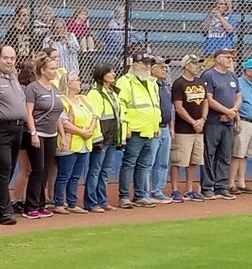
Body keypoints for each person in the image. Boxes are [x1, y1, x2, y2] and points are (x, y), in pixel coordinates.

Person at [0, 45, 24, 224]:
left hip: (17, 129)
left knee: (8, 170)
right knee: (2, 168)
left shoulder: (13, 76)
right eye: (6, 58)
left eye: (12, 58)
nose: (9, 61)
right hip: (0, 128)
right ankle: (4, 210)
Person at [117, 55, 162, 207]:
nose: (148, 67)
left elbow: (155, 106)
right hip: (135, 129)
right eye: (144, 64)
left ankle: (140, 195)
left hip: (149, 129)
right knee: (130, 163)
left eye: (149, 64)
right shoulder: (125, 81)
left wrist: (157, 126)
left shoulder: (152, 83)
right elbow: (121, 105)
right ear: (135, 64)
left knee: (143, 164)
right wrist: (126, 126)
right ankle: (124, 196)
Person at [23, 54, 64, 217]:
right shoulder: (33, 88)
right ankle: (30, 206)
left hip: (51, 134)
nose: (55, 72)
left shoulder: (54, 88)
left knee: (45, 169)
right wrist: (33, 133)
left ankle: (41, 203)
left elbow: (57, 114)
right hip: (37, 133)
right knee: (37, 169)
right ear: (42, 70)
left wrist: (61, 134)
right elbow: (29, 113)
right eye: (52, 69)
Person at [52, 70, 97, 212]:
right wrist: (82, 132)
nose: (80, 82)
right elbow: (64, 123)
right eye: (77, 80)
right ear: (69, 83)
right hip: (69, 143)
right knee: (64, 175)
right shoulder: (62, 100)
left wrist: (89, 130)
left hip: (84, 143)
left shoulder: (83, 99)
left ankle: (72, 203)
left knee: (76, 176)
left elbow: (94, 116)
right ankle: (59, 203)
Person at [199, 50, 240, 200]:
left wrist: (233, 112)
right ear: (218, 59)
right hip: (213, 121)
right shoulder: (209, 75)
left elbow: (239, 96)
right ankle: (208, 186)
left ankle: (221, 186)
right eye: (228, 57)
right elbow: (208, 98)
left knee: (225, 155)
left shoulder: (232, 75)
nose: (231, 60)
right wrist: (226, 111)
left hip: (229, 121)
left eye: (231, 58)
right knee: (210, 155)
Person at [169, 55, 209, 202]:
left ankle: (190, 189)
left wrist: (203, 120)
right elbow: (178, 107)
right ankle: (174, 189)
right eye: (193, 64)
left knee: (194, 160)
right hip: (183, 128)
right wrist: (193, 122)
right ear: (186, 65)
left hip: (199, 128)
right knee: (178, 160)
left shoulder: (200, 82)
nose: (197, 66)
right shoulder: (179, 83)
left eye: (197, 63)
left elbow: (205, 102)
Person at [84, 66, 124, 213]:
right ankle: (92, 202)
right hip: (101, 138)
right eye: (110, 72)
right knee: (95, 170)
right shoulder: (95, 94)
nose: (113, 74)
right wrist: (97, 139)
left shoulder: (113, 92)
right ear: (102, 75)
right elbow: (95, 117)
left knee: (105, 171)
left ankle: (102, 201)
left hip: (112, 137)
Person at [229, 57, 252, 195]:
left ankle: (241, 182)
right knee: (237, 153)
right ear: (248, 71)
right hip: (242, 121)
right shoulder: (238, 82)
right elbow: (234, 102)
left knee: (246, 154)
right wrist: (237, 118)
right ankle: (230, 183)